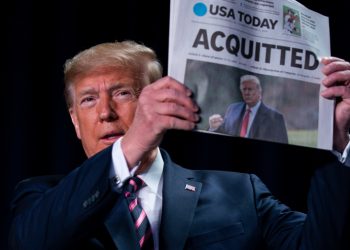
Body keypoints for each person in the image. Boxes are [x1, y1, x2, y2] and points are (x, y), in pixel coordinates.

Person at [8, 40, 350, 250]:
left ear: (161, 97)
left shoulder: (240, 192)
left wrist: (341, 145)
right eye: (87, 100)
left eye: (123, 93)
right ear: (73, 120)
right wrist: (129, 148)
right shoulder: (41, 197)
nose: (106, 113)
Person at [209, 74, 289, 144]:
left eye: (250, 89)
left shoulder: (276, 118)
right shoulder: (233, 109)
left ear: (259, 91)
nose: (247, 93)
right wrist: (213, 128)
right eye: (244, 89)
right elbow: (222, 132)